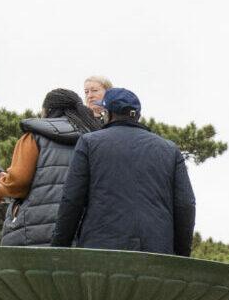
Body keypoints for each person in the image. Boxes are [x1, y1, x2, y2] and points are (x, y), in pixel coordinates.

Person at [49, 87, 195, 255]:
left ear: (108, 113)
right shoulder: (170, 150)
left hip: (100, 252)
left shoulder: (89, 143)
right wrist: (181, 256)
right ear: (138, 116)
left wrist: (58, 249)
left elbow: (72, 200)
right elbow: (186, 205)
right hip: (156, 254)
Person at [0, 88, 100, 246]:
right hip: (81, 231)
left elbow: (18, 183)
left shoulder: (33, 136)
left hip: (32, 230)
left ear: (48, 110)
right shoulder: (93, 140)